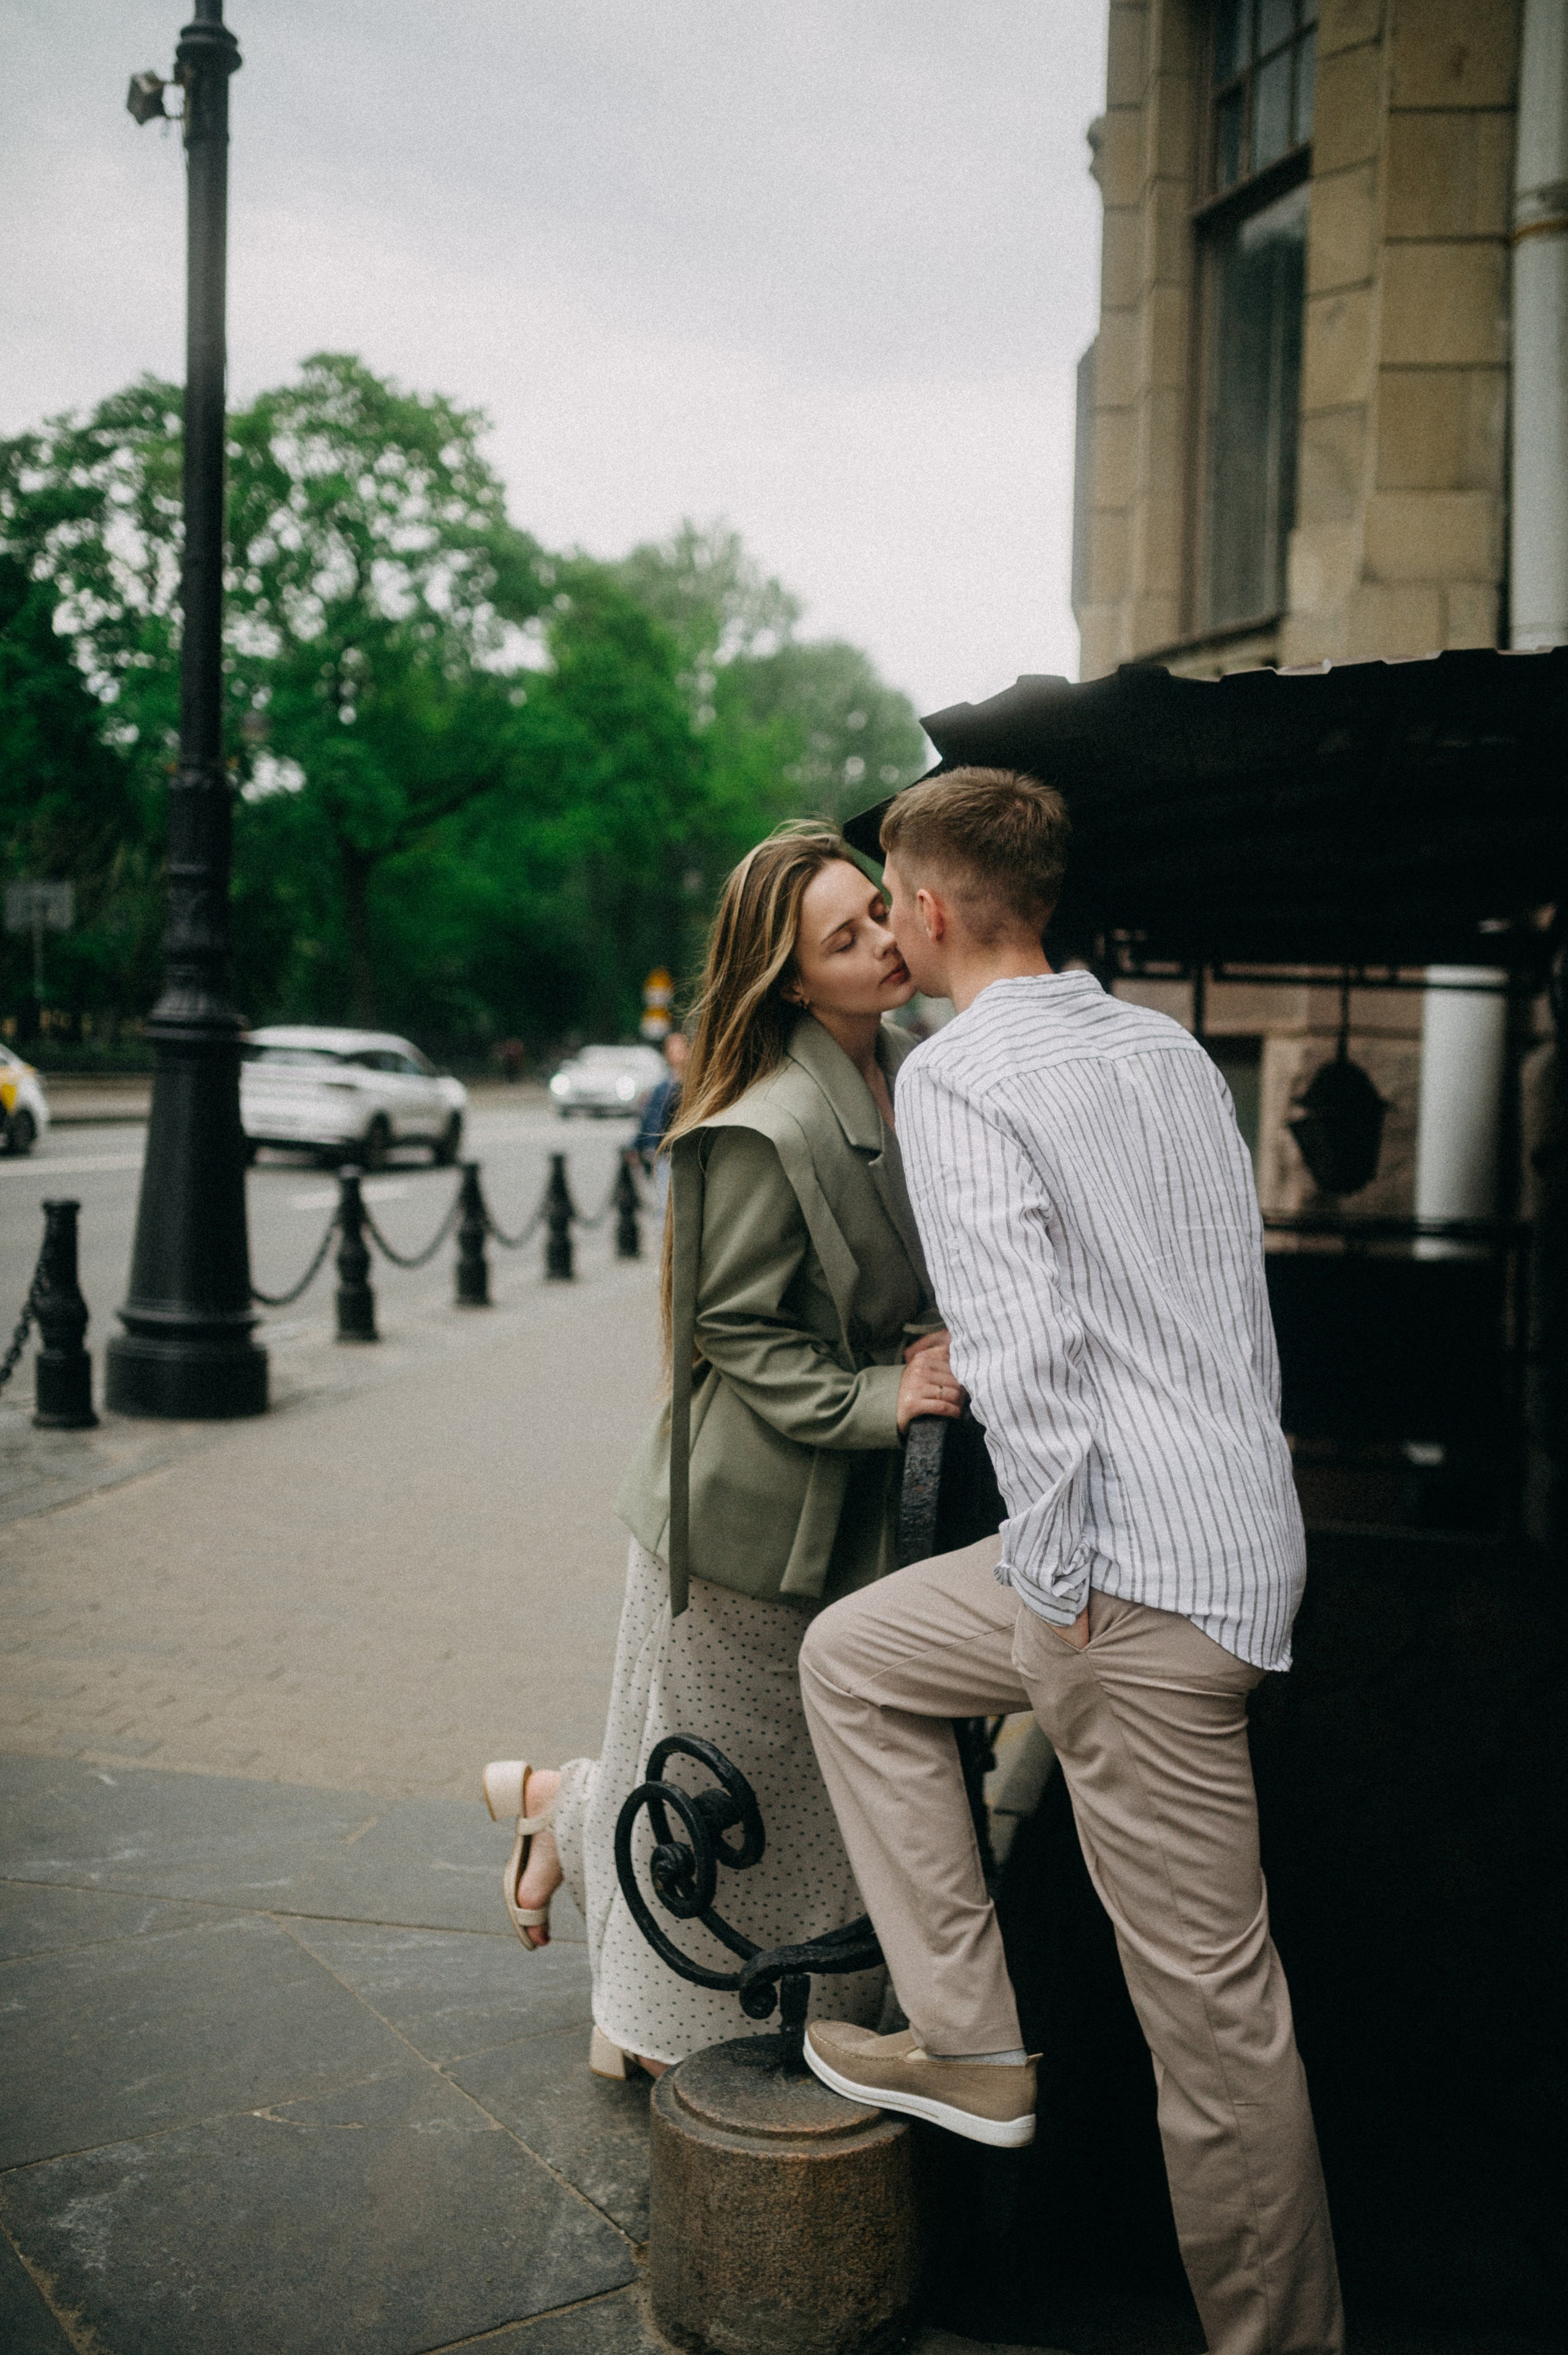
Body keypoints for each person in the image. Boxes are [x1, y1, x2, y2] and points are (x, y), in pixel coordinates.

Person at [797, 770, 1343, 2355]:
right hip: (1214, 1535)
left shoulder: (961, 1079)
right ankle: (972, 2042)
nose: (892, 919)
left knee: (1220, 2029)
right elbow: (1225, 1303)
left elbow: (1026, 1361)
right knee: (858, 1655)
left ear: (939, 906)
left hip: (1122, 1580)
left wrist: (1058, 1597)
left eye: (892, 892)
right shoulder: (1163, 1046)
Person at [481, 823, 964, 2079]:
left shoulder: (914, 1068)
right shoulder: (760, 1125)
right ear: (793, 981)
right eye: (842, 937)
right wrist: (885, 1393)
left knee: (800, 1803)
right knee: (710, 1795)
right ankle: (648, 2026)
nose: (877, 941)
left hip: (853, 1521)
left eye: (875, 910)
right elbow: (733, 1327)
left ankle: (552, 1806)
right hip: (748, 1524)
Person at [633, 1028, 688, 1203]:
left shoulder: (696, 1083)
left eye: (679, 1048)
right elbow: (650, 1117)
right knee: (665, 1204)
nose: (675, 1054)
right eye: (670, 1049)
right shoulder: (662, 1086)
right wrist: (637, 1146)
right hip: (665, 1153)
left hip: (687, 1155)